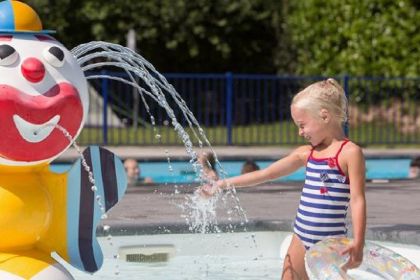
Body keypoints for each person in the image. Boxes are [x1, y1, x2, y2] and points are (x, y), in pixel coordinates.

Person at [200, 78, 366, 280]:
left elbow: (358, 199)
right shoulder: (307, 154)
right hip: (301, 237)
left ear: (324, 116)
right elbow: (266, 174)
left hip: (330, 242)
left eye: (302, 125)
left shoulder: (349, 153)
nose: (300, 132)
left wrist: (358, 242)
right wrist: (222, 184)